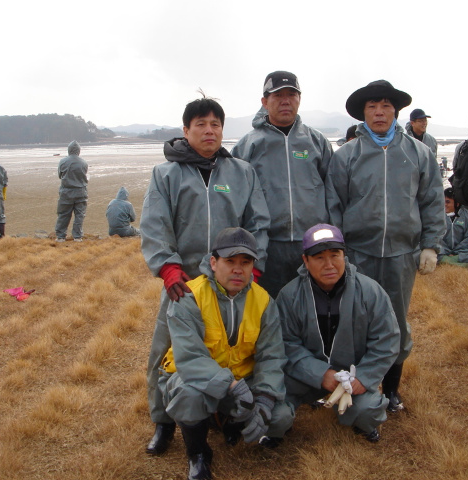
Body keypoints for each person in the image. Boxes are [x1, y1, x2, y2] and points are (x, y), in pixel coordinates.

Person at [140, 96, 270, 456]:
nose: (209, 130)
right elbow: (154, 225)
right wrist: (168, 269)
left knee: (232, 349)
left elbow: (258, 223)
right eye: (201, 124)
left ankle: (229, 415)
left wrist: (253, 269)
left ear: (223, 130)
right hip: (182, 284)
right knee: (164, 353)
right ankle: (163, 423)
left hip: (232, 283)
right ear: (186, 130)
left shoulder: (242, 172)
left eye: (215, 124)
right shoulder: (165, 175)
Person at [326, 80, 445, 412]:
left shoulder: (419, 154)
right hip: (358, 255)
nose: (379, 112)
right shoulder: (347, 156)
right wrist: (338, 251)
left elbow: (432, 202)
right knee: (355, 319)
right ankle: (357, 388)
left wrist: (430, 245)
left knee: (395, 321)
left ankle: (391, 390)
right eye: (372, 107)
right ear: (364, 113)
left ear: (396, 111)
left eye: (385, 106)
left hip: (401, 255)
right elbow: (334, 206)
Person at [158, 227, 292, 480]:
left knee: (281, 417)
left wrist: (264, 400)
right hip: (194, 380)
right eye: (230, 261)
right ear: (213, 262)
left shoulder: (264, 301)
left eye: (245, 262)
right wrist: (231, 387)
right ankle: (197, 454)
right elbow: (190, 359)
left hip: (243, 381)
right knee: (188, 395)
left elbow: (272, 357)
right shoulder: (190, 296)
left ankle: (230, 422)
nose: (238, 269)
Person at [277, 224, 400, 442]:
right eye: (319, 258)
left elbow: (387, 340)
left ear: (345, 255)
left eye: (335, 255)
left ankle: (360, 417)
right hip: (305, 375)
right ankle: (281, 422)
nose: (329, 265)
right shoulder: (289, 296)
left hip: (351, 377)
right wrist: (319, 374)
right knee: (272, 414)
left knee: (368, 411)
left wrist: (363, 377)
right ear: (305, 261)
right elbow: (286, 343)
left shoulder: (370, 291)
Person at [232, 71, 333, 298]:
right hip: (267, 246)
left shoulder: (316, 142)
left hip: (311, 244)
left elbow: (333, 192)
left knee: (312, 306)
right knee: (268, 309)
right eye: (278, 96)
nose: (285, 101)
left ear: (299, 99)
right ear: (265, 102)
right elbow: (235, 199)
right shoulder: (247, 145)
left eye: (292, 94)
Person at [55, 141, 88, 242]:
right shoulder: (83, 163)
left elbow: (60, 175)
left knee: (64, 214)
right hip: (81, 192)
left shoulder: (62, 162)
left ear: (69, 150)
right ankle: (77, 236)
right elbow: (84, 176)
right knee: (79, 215)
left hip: (66, 192)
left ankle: (61, 236)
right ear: (78, 151)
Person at [439, 188, 468, 267]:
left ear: (457, 204)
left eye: (448, 202)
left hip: (461, 252)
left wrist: (456, 251)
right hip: (443, 250)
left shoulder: (467, 216)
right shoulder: (438, 215)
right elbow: (437, 236)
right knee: (432, 253)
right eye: (443, 201)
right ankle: (460, 264)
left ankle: (446, 261)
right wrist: (446, 251)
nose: (444, 204)